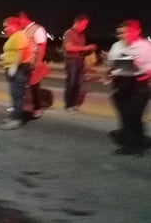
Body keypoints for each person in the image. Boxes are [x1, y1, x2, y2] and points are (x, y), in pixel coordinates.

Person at [107, 19, 151, 156]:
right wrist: (110, 66)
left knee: (134, 115)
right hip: (120, 83)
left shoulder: (145, 47)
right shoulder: (116, 46)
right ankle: (130, 137)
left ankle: (135, 145)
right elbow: (112, 64)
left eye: (126, 32)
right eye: (120, 33)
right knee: (124, 114)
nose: (123, 36)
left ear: (137, 31)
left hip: (139, 84)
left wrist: (139, 67)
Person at [0, 17, 32, 130]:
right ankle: (14, 116)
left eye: (6, 26)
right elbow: (12, 51)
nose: (5, 29)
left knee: (17, 95)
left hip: (19, 69)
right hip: (13, 68)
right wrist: (5, 56)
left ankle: (17, 119)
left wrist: (14, 66)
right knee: (14, 94)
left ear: (14, 25)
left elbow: (21, 52)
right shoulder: (13, 37)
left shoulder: (19, 35)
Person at [63, 14, 97, 113]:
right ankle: (68, 105)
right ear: (77, 22)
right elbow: (69, 48)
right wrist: (85, 48)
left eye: (86, 25)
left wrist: (89, 50)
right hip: (71, 61)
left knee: (78, 84)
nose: (85, 27)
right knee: (71, 83)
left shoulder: (82, 35)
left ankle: (74, 104)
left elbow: (80, 50)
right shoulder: (69, 33)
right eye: (84, 24)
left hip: (79, 61)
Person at [17, 11, 47, 118]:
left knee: (34, 86)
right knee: (24, 86)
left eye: (19, 20)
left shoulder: (38, 29)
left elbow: (42, 46)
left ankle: (37, 108)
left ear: (24, 18)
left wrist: (38, 61)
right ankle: (26, 105)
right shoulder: (23, 30)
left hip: (33, 63)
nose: (18, 23)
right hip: (23, 63)